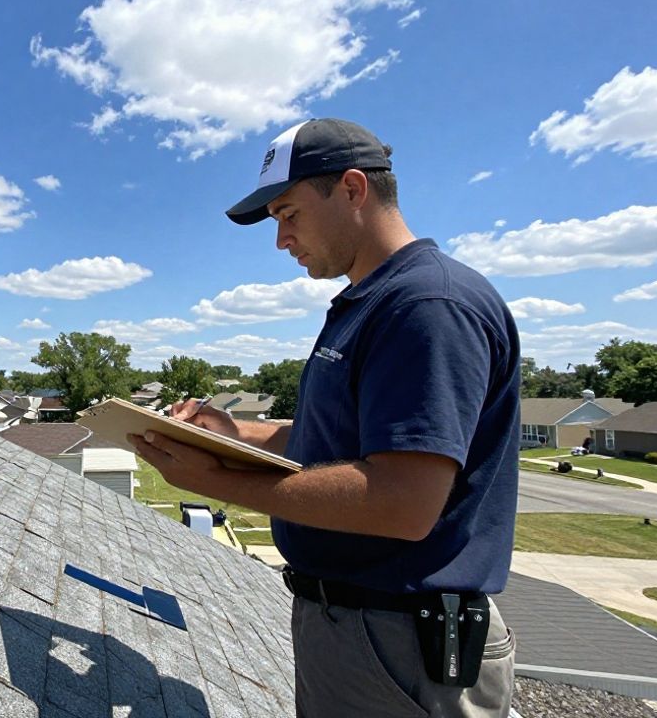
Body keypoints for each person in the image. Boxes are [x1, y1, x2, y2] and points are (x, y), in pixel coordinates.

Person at [129, 119, 519, 717]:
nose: (281, 240)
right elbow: (342, 442)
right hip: (359, 628)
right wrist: (235, 434)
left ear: (354, 189)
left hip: (399, 642)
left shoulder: (427, 305)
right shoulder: (375, 301)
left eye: (289, 214)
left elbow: (402, 501)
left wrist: (213, 482)